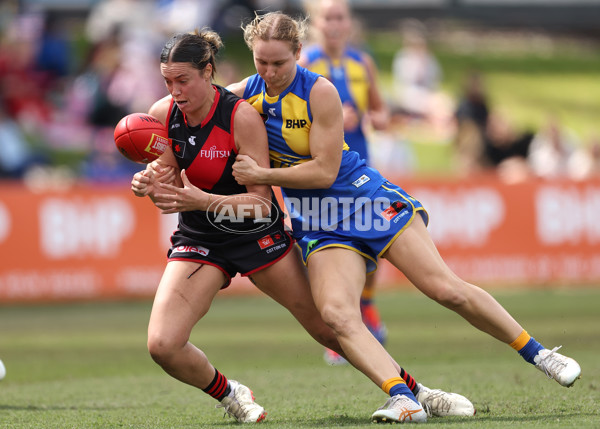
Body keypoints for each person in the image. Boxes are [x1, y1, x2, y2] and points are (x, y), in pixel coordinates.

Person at [228, 11, 582, 424]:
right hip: (320, 221)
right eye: (261, 62)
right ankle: (404, 397)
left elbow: (325, 171)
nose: (269, 72)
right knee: (338, 316)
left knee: (446, 289)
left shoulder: (319, 91)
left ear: (298, 53)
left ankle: (539, 354)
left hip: (364, 199)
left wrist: (262, 176)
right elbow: (187, 105)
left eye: (279, 63)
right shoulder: (244, 94)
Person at [130, 29, 475, 424]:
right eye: (167, 82)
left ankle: (416, 392)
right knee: (162, 345)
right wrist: (150, 182)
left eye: (183, 80)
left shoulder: (240, 116)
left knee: (331, 329)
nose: (175, 91)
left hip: (257, 235)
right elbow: (169, 177)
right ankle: (232, 395)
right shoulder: (163, 115)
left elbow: (261, 205)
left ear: (208, 72)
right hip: (201, 237)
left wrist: (203, 200)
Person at [299, 0, 390, 366]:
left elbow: (379, 110)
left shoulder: (361, 63)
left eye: (340, 18)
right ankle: (340, 325)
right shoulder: (305, 62)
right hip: (322, 170)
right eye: (327, 18)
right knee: (331, 248)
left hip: (359, 165)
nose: (334, 24)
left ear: (348, 24)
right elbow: (291, 115)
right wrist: (331, 117)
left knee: (374, 237)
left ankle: (366, 306)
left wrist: (376, 117)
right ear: (316, 23)